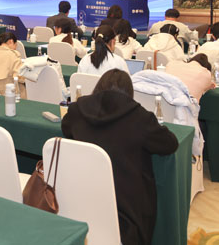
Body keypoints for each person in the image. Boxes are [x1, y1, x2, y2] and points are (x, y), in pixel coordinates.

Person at [61, 69, 178, 245]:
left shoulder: (77, 110)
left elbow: (66, 129)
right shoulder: (140, 118)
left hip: (82, 202)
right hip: (127, 215)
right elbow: (170, 144)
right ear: (129, 93)